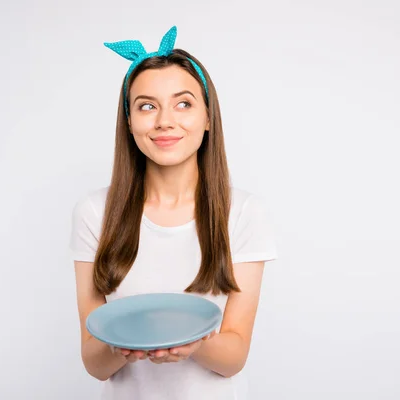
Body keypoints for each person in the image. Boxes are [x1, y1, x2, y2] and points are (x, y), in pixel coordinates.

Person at [69, 26, 278, 400]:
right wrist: (119, 346)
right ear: (130, 123)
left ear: (208, 118)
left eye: (183, 103)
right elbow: (93, 362)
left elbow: (234, 357)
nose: (165, 120)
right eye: (147, 106)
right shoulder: (93, 212)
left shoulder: (244, 212)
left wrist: (194, 344)